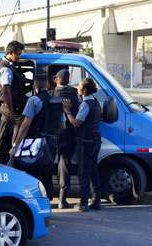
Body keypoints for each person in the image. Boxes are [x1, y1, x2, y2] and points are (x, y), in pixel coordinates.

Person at [9, 79, 64, 200]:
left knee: (33, 171)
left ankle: (34, 200)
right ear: (48, 86)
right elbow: (62, 126)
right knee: (47, 171)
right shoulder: (58, 102)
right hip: (51, 142)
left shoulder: (33, 100)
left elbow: (26, 125)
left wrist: (15, 145)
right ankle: (47, 199)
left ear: (35, 87)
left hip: (35, 142)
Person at [63, 78, 102, 212]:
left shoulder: (86, 104)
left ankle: (84, 203)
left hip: (86, 142)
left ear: (84, 90)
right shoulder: (95, 102)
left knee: (84, 172)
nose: (77, 88)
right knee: (94, 171)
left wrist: (67, 111)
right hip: (95, 140)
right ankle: (96, 201)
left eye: (79, 86)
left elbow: (76, 123)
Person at [0, 40, 28, 164]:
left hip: (9, 107)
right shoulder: (5, 70)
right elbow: (6, 91)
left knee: (7, 135)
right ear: (11, 53)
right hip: (8, 108)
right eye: (18, 54)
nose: (19, 57)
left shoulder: (9, 67)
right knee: (3, 135)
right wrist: (12, 111)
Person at [51, 68, 80, 209]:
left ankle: (48, 197)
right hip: (68, 136)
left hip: (52, 135)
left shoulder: (52, 94)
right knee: (64, 165)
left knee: (49, 165)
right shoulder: (74, 95)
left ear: (56, 79)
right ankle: (62, 198)